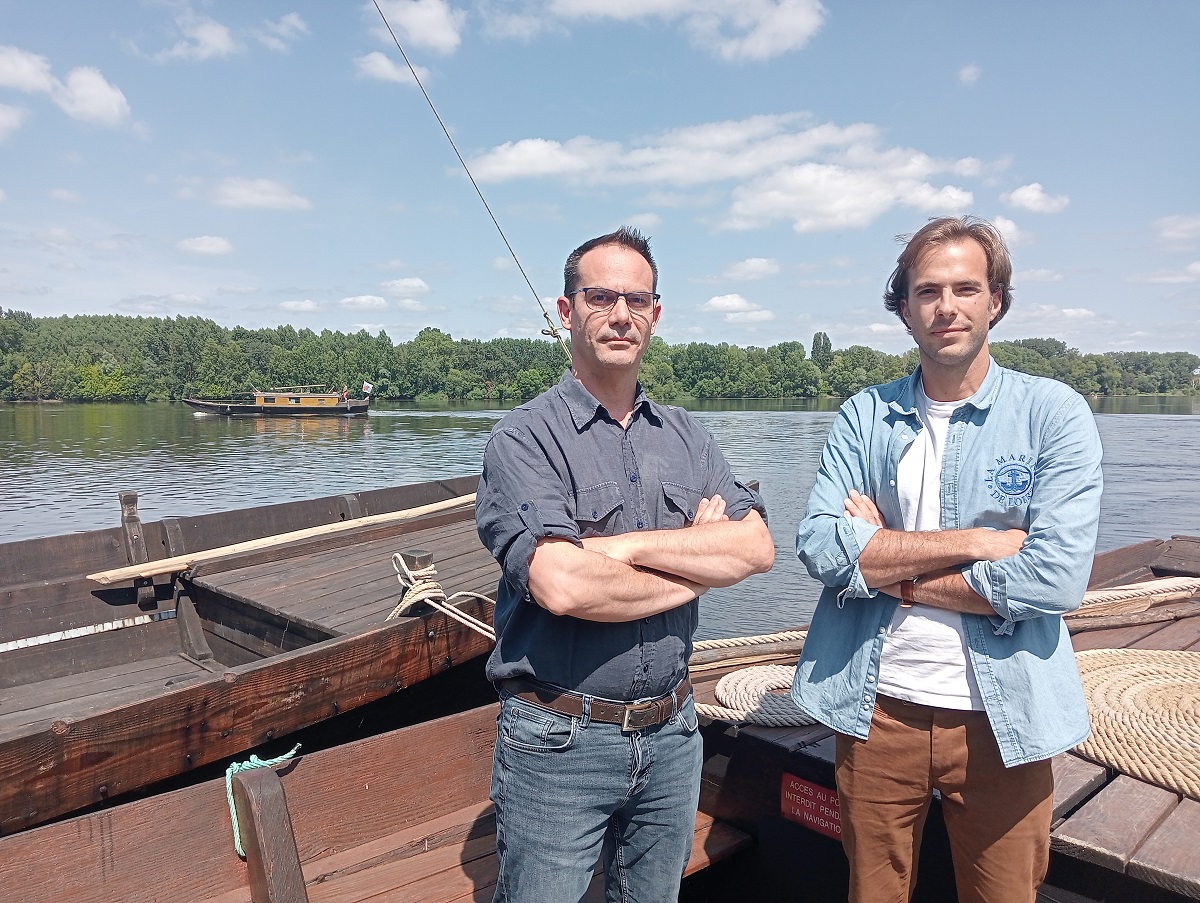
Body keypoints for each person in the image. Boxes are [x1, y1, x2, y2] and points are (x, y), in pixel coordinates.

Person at [792, 216, 1103, 903]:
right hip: (878, 711)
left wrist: (887, 570)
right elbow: (819, 545)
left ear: (997, 300)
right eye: (927, 290)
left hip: (1008, 719)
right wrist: (976, 541)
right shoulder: (863, 416)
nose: (947, 306)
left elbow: (1053, 578)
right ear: (903, 307)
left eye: (967, 287)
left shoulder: (1054, 413)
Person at [476, 226, 775, 902]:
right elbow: (560, 582)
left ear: (656, 314)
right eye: (601, 296)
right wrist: (700, 557)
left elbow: (756, 547)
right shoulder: (523, 440)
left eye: (636, 299)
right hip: (557, 739)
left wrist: (623, 548)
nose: (620, 314)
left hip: (673, 732)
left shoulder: (687, 435)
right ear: (565, 310)